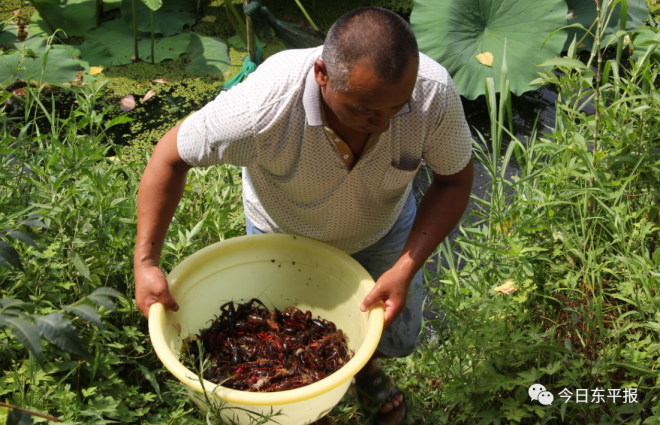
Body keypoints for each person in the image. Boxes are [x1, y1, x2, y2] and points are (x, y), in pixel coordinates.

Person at [134, 6, 473, 425]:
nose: (383, 124)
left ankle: (365, 372)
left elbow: (454, 181)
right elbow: (169, 157)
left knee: (394, 337)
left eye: (396, 108)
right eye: (365, 110)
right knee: (286, 343)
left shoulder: (430, 92)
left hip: (381, 230)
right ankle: (310, 411)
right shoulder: (262, 106)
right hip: (283, 234)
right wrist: (147, 262)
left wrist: (406, 266)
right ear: (322, 74)